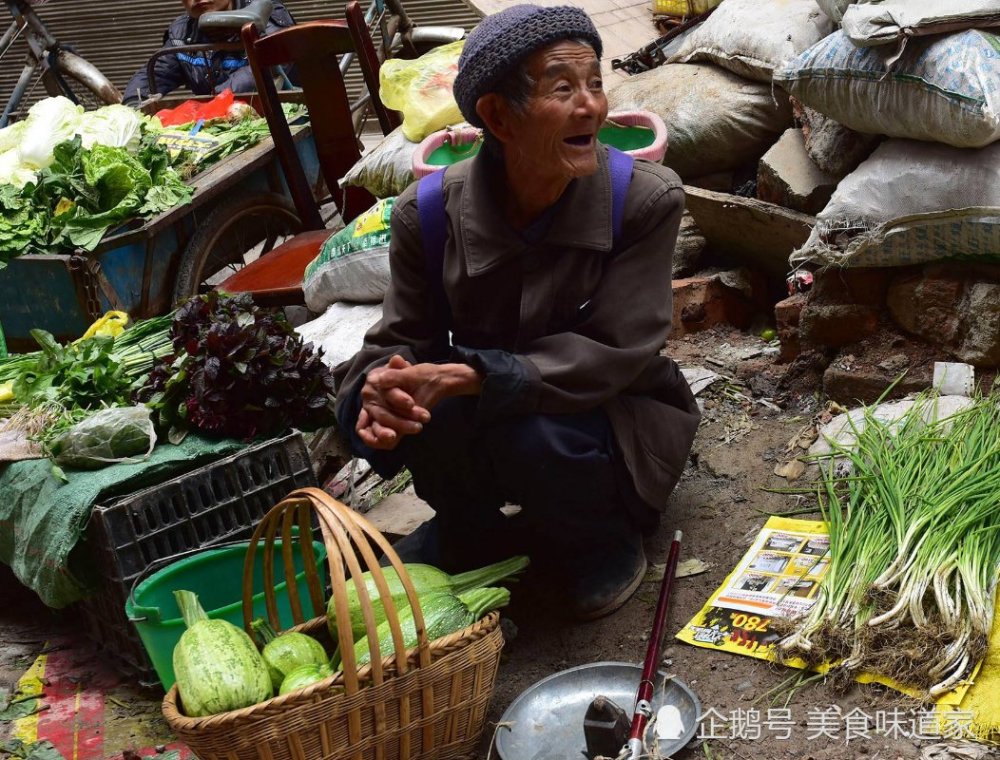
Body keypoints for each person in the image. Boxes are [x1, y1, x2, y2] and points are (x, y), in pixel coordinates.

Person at [333, 4, 700, 621]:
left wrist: (474, 377)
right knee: (428, 404)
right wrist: (375, 394)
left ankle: (599, 539)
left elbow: (616, 351)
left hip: (604, 414)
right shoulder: (425, 216)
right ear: (498, 116)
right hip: (492, 411)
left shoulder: (642, 201)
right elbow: (399, 339)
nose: (592, 107)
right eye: (564, 88)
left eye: (595, 83)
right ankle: (468, 527)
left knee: (535, 433)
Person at [122, 0, 295, 105]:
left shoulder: (266, 17)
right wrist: (132, 105)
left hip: (284, 123)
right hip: (220, 126)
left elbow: (259, 71)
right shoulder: (182, 32)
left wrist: (209, 106)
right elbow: (158, 72)